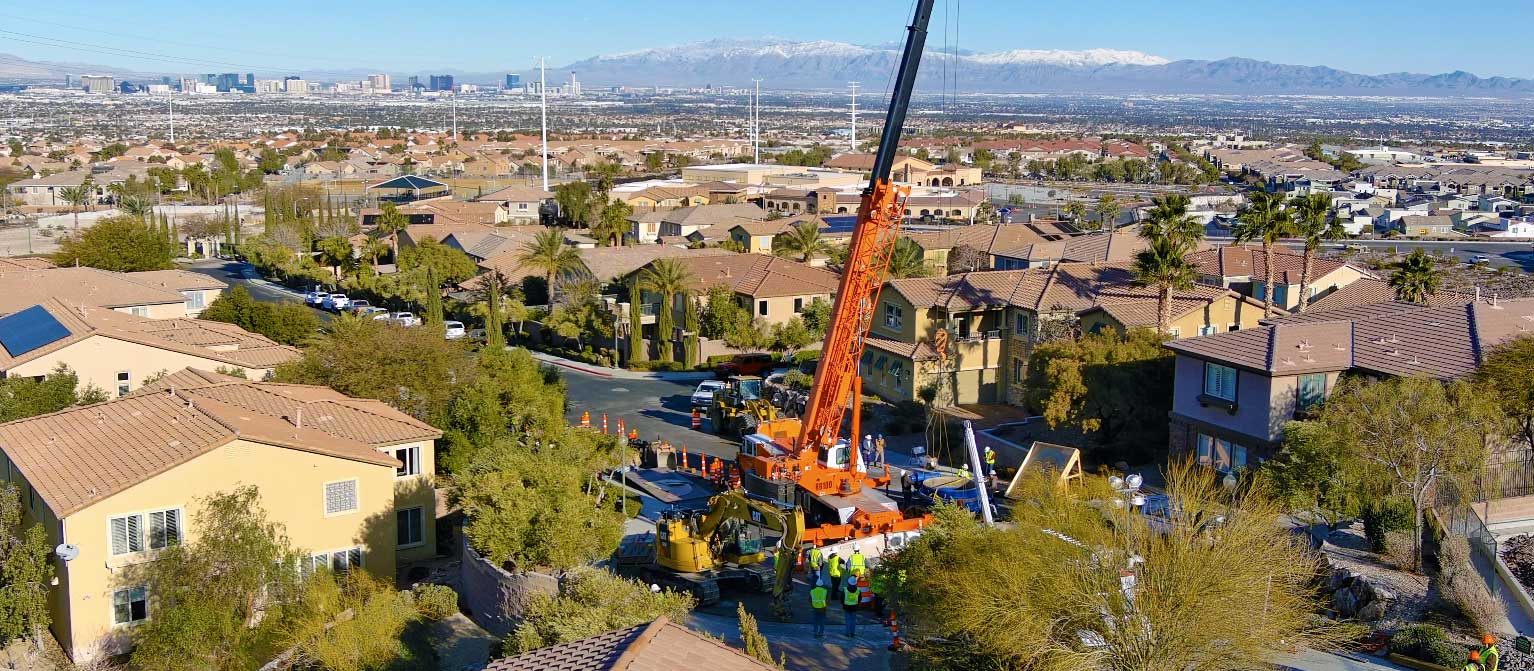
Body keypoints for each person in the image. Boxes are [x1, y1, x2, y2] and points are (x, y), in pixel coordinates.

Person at [842, 571, 860, 638]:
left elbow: (842, 599)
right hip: (854, 607)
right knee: (853, 620)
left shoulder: (845, 589)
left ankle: (847, 633)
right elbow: (860, 598)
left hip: (847, 607)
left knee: (847, 620)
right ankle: (852, 633)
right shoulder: (858, 590)